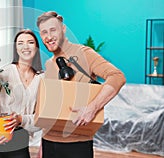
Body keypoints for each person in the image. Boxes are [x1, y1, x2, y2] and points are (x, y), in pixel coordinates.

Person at [36, 11, 126, 158]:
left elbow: (117, 77)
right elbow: (50, 107)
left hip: (77, 143)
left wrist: (92, 108)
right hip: (48, 142)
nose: (49, 36)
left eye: (53, 30)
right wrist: (41, 146)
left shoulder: (84, 53)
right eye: (44, 32)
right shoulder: (49, 63)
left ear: (63, 29)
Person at [0, 29, 44, 158]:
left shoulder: (42, 79)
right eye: (20, 43)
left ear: (36, 48)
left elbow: (41, 118)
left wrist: (20, 119)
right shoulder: (2, 74)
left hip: (20, 140)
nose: (25, 46)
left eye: (30, 42)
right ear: (16, 49)